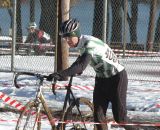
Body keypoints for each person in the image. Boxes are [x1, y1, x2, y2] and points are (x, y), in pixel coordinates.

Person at [47, 18, 138, 130]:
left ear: (76, 34)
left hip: (117, 78)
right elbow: (78, 65)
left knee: (120, 118)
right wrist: (61, 74)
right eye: (65, 38)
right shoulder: (80, 44)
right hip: (101, 80)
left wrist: (60, 74)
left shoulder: (89, 43)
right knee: (98, 119)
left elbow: (81, 66)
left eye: (69, 37)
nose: (67, 40)